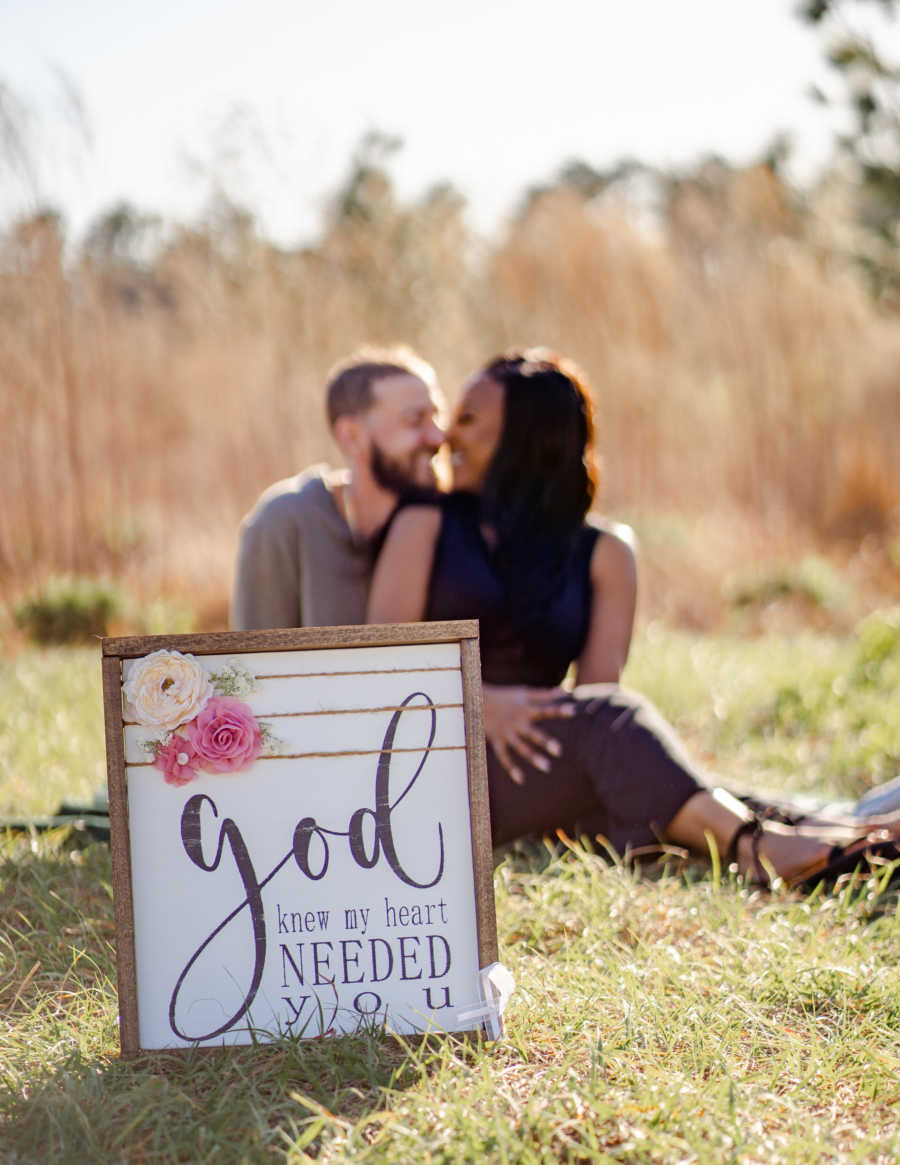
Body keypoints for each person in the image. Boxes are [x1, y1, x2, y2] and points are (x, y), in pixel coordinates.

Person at [367, 349, 900, 888]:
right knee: (625, 738)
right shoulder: (424, 526)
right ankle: (756, 847)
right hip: (445, 764)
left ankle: (860, 840)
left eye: (467, 418)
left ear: (524, 435)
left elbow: (597, 696)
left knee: (634, 782)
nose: (446, 437)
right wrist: (479, 705)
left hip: (548, 766)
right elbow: (376, 668)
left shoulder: (605, 551)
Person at [231, 345, 445, 630]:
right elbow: (251, 667)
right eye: (415, 420)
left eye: (437, 416)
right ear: (352, 436)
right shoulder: (282, 522)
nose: (438, 437)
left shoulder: (451, 519)